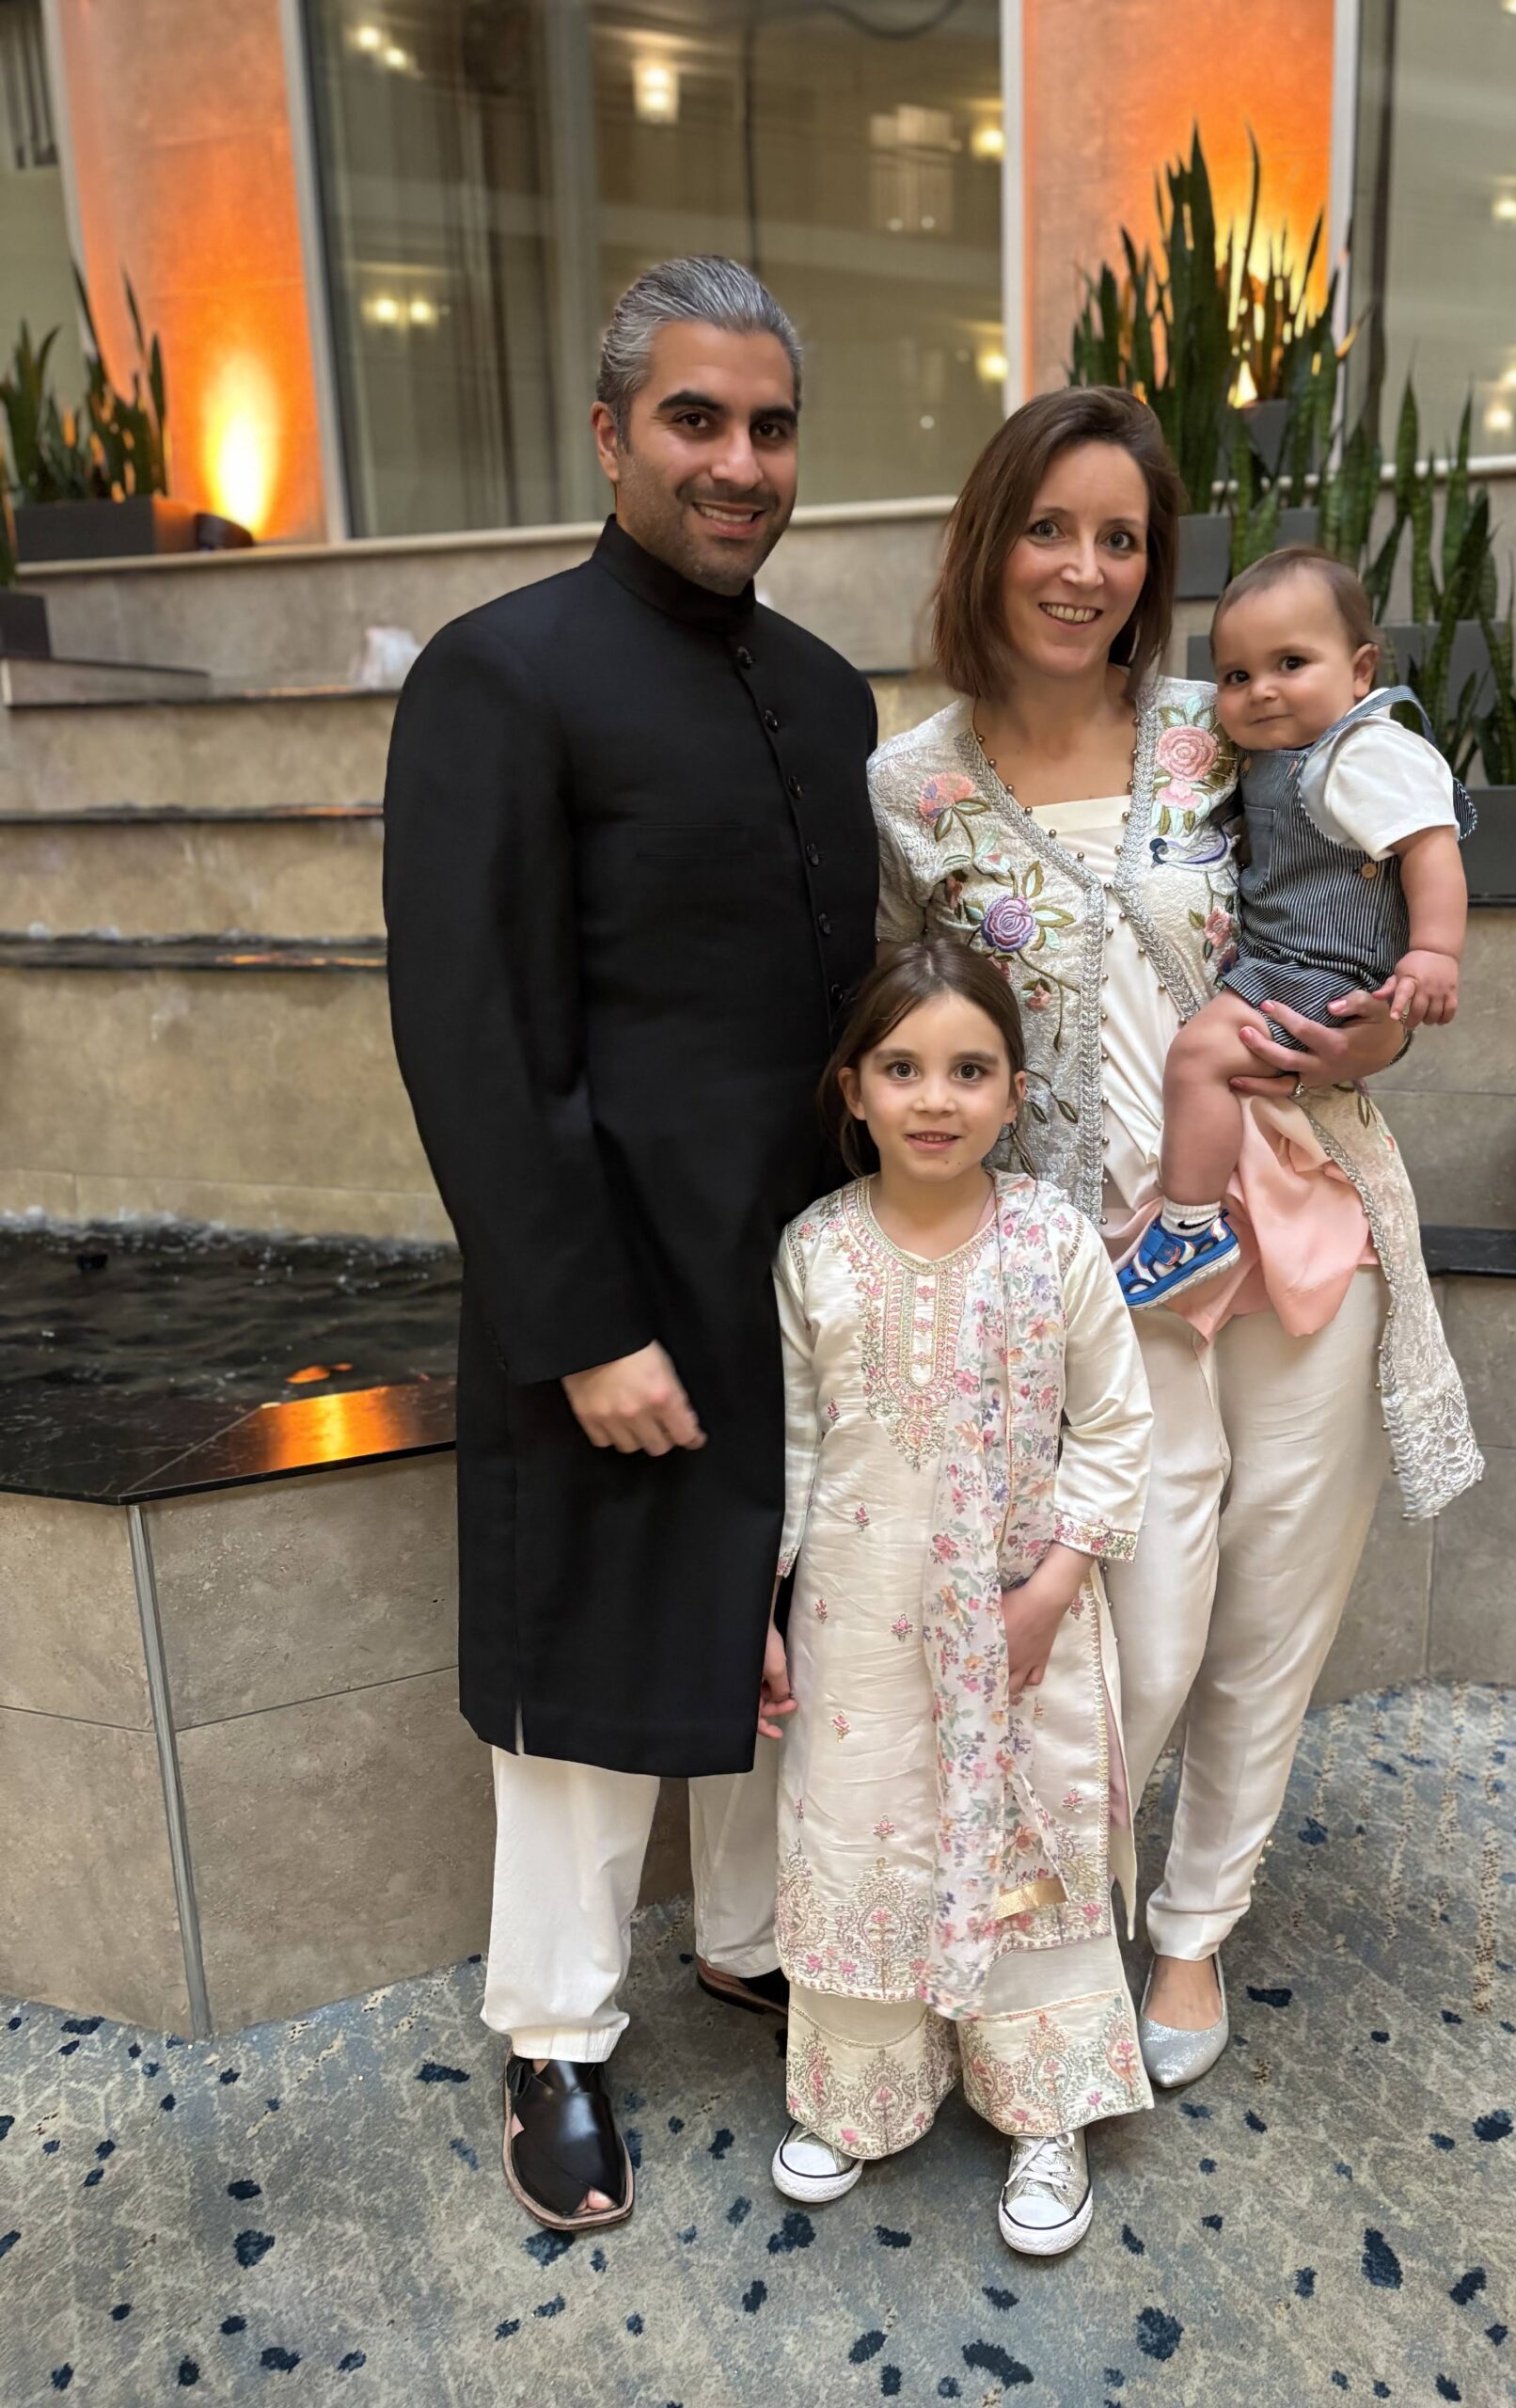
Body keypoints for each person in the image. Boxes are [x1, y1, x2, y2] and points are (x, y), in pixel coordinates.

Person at [868, 386, 1481, 2097]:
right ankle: (1060, 1911)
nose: (1085, 569)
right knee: (1135, 1625)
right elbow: (906, 1028)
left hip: (1299, 1213)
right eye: (1050, 529)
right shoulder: (908, 785)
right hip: (1097, 1273)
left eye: (1122, 539)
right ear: (988, 540)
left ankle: (1198, 1924)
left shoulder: (1238, 721)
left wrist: (1381, 1026)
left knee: (1278, 1588)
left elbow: (1388, 888)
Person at [383, 257, 879, 2233]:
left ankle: (751, 1944)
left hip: (798, 1270)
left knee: (780, 1630)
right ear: (609, 436)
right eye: (695, 420)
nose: (738, 462)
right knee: (589, 1673)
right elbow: (473, 1033)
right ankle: (557, 2035)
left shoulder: (827, 694)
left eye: (769, 426)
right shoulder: (502, 674)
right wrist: (582, 1322)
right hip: (603, 1270)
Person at [761, 943, 1154, 2258]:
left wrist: (1054, 1588)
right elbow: (790, 1449)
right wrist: (759, 1614)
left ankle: (1046, 2108)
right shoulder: (815, 1252)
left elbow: (1116, 1426)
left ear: (1015, 1092)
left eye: (970, 1071)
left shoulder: (1053, 1241)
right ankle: (857, 2094)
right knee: (861, 1835)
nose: (936, 1098)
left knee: (1029, 1843)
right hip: (853, 1624)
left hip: (1022, 1621)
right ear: (854, 1091)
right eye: (903, 1068)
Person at [1119, 546, 1474, 1307]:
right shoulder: (1274, 758)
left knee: (1199, 1057)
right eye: (1236, 676)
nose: (1263, 691)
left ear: (1360, 671)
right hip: (1287, 961)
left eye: (1291, 663)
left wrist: (1434, 951)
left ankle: (1188, 1227)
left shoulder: (1365, 752)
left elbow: (1431, 848)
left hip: (1326, 974)